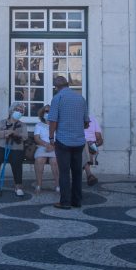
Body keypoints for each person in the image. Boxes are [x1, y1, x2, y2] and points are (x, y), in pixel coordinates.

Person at [47, 76, 88, 209]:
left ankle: (65, 202)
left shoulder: (57, 98)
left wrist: (51, 137)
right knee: (77, 172)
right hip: (79, 141)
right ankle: (77, 201)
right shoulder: (81, 98)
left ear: (56, 87)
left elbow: (53, 120)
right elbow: (86, 122)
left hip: (63, 141)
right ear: (68, 85)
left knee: (64, 172)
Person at [0, 102, 28, 197]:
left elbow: (25, 137)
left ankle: (18, 186)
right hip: (1, 146)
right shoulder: (2, 122)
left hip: (16, 148)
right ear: (11, 111)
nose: (19, 112)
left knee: (17, 162)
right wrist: (7, 132)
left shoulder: (22, 125)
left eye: (21, 111)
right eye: (17, 110)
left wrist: (15, 133)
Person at [33, 105, 59, 194]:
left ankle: (57, 185)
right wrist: (46, 145)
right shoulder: (39, 125)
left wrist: (53, 146)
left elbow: (60, 138)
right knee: (39, 160)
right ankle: (38, 185)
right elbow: (36, 138)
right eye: (46, 111)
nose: (48, 113)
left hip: (55, 148)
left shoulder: (57, 125)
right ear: (42, 113)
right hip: (42, 147)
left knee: (54, 161)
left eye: (50, 111)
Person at [83, 115, 104, 187]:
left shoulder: (93, 120)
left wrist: (95, 144)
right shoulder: (74, 120)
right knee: (83, 146)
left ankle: (88, 175)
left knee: (83, 151)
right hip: (80, 145)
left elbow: (100, 140)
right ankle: (89, 175)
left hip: (91, 147)